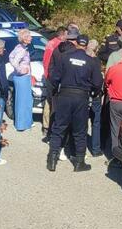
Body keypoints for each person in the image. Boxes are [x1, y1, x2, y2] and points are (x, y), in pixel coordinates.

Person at [46, 34, 102, 173]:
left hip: (65, 94)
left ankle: (52, 160)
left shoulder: (64, 57)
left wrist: (56, 88)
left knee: (59, 127)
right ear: (87, 45)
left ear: (76, 43)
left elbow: (54, 77)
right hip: (81, 97)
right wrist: (93, 91)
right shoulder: (91, 61)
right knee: (80, 130)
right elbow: (97, 83)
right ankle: (79, 162)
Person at [40, 26, 68, 137]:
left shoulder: (50, 43)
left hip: (48, 76)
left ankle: (46, 126)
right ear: (62, 35)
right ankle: (52, 126)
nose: (67, 37)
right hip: (53, 77)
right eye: (66, 35)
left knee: (48, 101)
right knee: (55, 102)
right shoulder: (58, 45)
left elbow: (45, 61)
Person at [8, 29, 34, 132]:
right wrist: (20, 70)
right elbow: (13, 60)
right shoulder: (21, 50)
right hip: (22, 78)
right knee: (22, 102)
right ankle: (21, 125)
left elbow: (10, 56)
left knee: (26, 100)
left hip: (23, 78)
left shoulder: (20, 47)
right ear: (24, 38)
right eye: (29, 36)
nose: (31, 38)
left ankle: (27, 122)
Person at [84, 39, 105, 157]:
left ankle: (80, 147)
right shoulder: (96, 62)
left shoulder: (83, 59)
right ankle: (96, 149)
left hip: (84, 93)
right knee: (96, 122)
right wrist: (98, 93)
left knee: (82, 121)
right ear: (96, 50)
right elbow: (98, 81)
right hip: (95, 94)